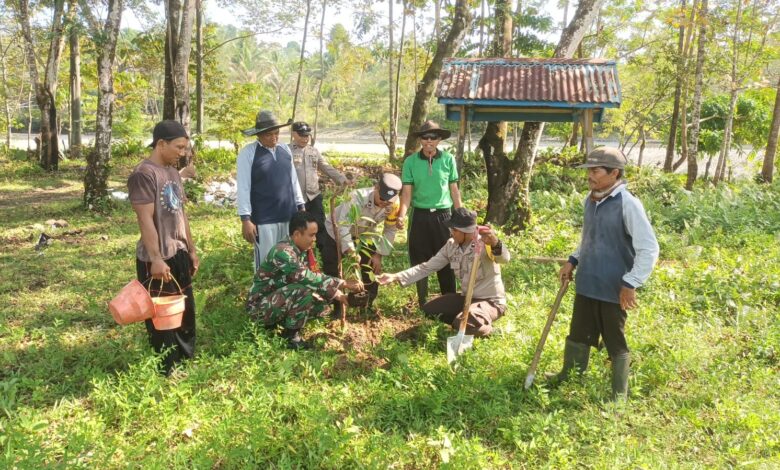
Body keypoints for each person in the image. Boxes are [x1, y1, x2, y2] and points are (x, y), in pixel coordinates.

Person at [552, 147, 659, 400]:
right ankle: (571, 375)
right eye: (589, 170)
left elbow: (649, 247)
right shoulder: (590, 200)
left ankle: (618, 395)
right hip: (588, 281)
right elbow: (589, 237)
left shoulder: (628, 204)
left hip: (614, 288)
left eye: (596, 170)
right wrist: (572, 260)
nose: (590, 175)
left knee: (614, 339)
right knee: (579, 332)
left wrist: (631, 282)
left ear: (615, 173)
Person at [128, 120, 199, 375]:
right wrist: (156, 258)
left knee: (184, 310)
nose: (182, 153)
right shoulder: (143, 174)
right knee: (162, 315)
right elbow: (145, 219)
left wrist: (190, 249)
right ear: (161, 144)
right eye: (179, 147)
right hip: (157, 257)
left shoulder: (171, 172)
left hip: (178, 251)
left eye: (184, 148)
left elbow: (181, 213)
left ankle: (184, 360)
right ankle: (167, 368)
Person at [378, 208, 509, 337]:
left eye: (454, 230)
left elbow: (504, 258)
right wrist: (395, 276)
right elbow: (426, 267)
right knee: (429, 310)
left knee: (462, 323)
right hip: (467, 299)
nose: (451, 233)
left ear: (466, 232)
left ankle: (489, 331)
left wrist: (495, 243)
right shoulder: (451, 245)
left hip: (490, 301)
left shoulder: (484, 243)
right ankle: (465, 321)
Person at [246, 212, 364, 350]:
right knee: (302, 291)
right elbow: (306, 277)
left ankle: (282, 323)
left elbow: (315, 279)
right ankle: (291, 336)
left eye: (315, 235)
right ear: (297, 234)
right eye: (311, 235)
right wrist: (343, 283)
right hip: (259, 307)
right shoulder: (282, 252)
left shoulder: (301, 251)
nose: (314, 239)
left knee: (321, 304)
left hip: (277, 298)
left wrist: (341, 297)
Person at [396, 120, 463, 306]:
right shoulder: (411, 162)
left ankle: (449, 301)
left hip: (444, 216)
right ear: (420, 140)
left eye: (433, 138)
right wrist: (401, 215)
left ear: (439, 140)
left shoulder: (448, 159)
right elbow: (407, 194)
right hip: (420, 216)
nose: (429, 141)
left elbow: (454, 191)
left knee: (448, 258)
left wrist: (460, 217)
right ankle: (422, 303)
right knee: (420, 259)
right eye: (425, 137)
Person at [321, 173, 402, 309]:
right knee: (333, 266)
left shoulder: (394, 204)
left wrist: (379, 254)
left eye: (388, 201)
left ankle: (366, 304)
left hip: (363, 234)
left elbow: (390, 229)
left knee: (370, 266)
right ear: (376, 188)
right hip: (335, 231)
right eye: (382, 198)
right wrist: (351, 252)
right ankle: (336, 306)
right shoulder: (357, 198)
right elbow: (343, 226)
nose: (384, 203)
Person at [237, 110, 305, 271]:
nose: (274, 138)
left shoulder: (284, 150)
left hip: (288, 215)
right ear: (259, 134)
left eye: (276, 133)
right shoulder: (249, 153)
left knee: (290, 260)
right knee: (267, 264)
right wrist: (245, 219)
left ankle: (287, 294)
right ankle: (264, 296)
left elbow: (293, 180)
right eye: (269, 135)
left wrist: (301, 206)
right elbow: (243, 186)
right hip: (264, 219)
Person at [290, 121, 350, 253]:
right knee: (298, 227)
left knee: (320, 225)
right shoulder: (287, 151)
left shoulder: (313, 151)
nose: (305, 139)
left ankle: (322, 253)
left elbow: (326, 167)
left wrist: (342, 179)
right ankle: (297, 253)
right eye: (301, 135)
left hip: (314, 196)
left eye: (307, 136)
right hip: (296, 198)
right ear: (294, 134)